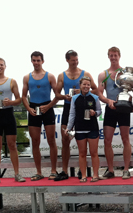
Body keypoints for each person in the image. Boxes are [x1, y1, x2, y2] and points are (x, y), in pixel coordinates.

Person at [54, 50, 98, 181]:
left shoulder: (85, 74)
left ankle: (82, 171)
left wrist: (83, 90)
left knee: (85, 141)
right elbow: (56, 94)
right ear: (67, 60)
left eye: (77, 60)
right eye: (73, 60)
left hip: (83, 108)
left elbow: (95, 90)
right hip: (69, 107)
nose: (75, 62)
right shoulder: (62, 75)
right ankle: (64, 171)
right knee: (65, 138)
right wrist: (64, 96)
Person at [22, 51, 58, 181]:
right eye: (34, 60)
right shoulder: (27, 77)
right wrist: (28, 109)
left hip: (47, 108)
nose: (36, 63)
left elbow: (57, 95)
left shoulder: (50, 76)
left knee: (51, 140)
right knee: (35, 141)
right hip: (33, 108)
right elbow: (24, 96)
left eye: (38, 60)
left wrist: (48, 106)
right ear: (31, 61)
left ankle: (53, 170)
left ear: (43, 61)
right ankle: (38, 171)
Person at [98, 47, 132, 180]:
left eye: (115, 55)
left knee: (125, 139)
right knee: (107, 140)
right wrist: (108, 101)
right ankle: (110, 170)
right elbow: (100, 93)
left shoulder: (125, 73)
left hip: (123, 109)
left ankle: (126, 170)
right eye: (111, 56)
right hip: (110, 109)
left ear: (119, 56)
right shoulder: (103, 74)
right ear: (108, 57)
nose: (113, 58)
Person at [65, 76, 102, 183]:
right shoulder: (75, 98)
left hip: (92, 128)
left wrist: (94, 113)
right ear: (80, 86)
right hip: (80, 128)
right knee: (82, 153)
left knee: (94, 153)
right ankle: (84, 175)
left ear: (90, 86)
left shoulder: (95, 98)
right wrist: (69, 127)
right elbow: (72, 114)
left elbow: (99, 111)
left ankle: (95, 175)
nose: (86, 86)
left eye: (88, 85)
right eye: (84, 84)